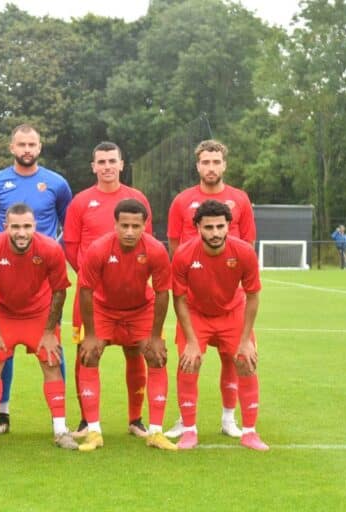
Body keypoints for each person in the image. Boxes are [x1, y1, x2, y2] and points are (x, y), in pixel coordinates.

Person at [0, 124, 73, 433]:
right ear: (11, 147)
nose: (26, 149)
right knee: (1, 351)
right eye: (21, 144)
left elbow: (69, 226)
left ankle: (61, 422)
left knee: (53, 350)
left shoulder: (57, 183)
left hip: (42, 274)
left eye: (32, 144)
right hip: (6, 273)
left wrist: (46, 253)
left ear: (39, 147)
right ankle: (1, 415)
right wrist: (0, 250)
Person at [62, 141, 153, 438]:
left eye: (112, 161)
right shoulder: (80, 201)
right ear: (93, 167)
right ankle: (88, 421)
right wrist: (93, 278)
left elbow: (146, 243)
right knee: (86, 353)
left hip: (132, 293)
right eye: (101, 162)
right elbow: (72, 245)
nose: (107, 167)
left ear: (122, 164)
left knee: (135, 353)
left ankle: (135, 418)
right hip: (93, 294)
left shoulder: (136, 198)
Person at [165, 139, 255, 439]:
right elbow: (177, 247)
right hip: (194, 300)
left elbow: (247, 246)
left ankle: (229, 419)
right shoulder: (181, 201)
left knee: (235, 359)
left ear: (224, 165)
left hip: (231, 297)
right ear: (198, 165)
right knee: (188, 359)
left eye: (216, 162)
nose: (211, 167)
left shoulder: (240, 199)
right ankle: (185, 419)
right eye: (206, 162)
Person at [0, 203, 78, 450]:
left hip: (39, 316)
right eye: (15, 227)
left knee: (52, 364)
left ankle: (61, 430)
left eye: (27, 226)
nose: (21, 232)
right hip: (2, 315)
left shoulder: (50, 248)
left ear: (35, 226)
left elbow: (59, 292)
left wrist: (50, 332)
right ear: (5, 226)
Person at [76, 199, 177, 452]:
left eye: (135, 226)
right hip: (103, 309)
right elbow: (85, 291)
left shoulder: (155, 250)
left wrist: (155, 336)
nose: (130, 231)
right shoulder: (98, 249)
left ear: (145, 226)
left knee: (156, 357)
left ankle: (154, 431)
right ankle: (94, 430)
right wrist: (89, 334)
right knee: (88, 355)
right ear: (115, 224)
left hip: (140, 311)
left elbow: (163, 292)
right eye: (124, 225)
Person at [172, 200, 268, 451]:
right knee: (188, 363)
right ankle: (189, 431)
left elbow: (253, 296)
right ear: (197, 228)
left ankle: (248, 432)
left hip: (232, 312)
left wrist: (246, 340)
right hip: (196, 313)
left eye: (220, 227)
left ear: (228, 227)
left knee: (245, 362)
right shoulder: (184, 254)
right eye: (209, 227)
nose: (215, 233)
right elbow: (179, 299)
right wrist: (192, 342)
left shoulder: (244, 252)